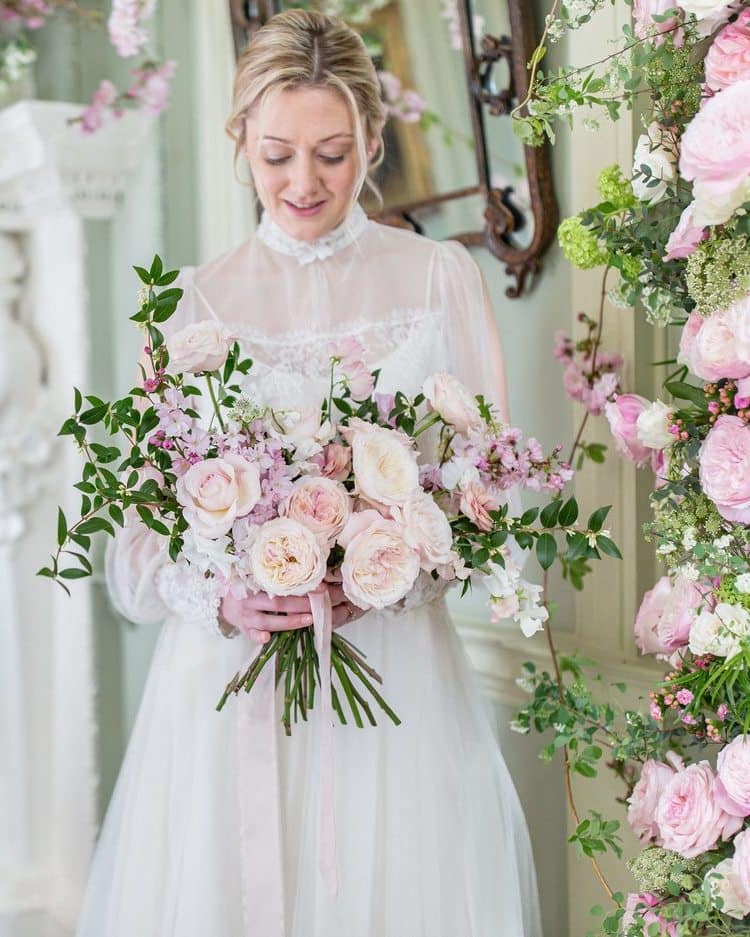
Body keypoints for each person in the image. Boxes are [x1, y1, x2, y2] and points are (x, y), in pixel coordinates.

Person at [75, 9, 542, 937]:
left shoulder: (441, 277)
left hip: (397, 684)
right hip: (229, 692)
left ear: (373, 138)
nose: (304, 181)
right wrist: (218, 596)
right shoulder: (190, 304)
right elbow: (129, 550)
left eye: (333, 152)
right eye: (278, 151)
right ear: (240, 135)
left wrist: (398, 568)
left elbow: (500, 500)